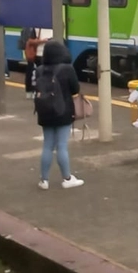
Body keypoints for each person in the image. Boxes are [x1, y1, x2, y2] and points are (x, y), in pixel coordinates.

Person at [32, 40, 84, 190]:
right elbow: (75, 89)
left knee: (47, 145)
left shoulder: (40, 69)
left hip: (44, 111)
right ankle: (67, 178)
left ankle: (44, 180)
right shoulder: (67, 69)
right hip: (63, 111)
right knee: (62, 145)